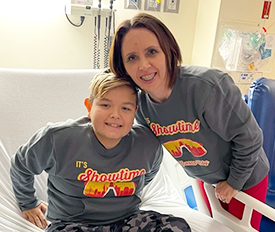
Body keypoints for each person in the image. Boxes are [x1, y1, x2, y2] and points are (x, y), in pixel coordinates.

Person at [109, 12, 270, 230]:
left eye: (152, 52)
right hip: (207, 178)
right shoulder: (141, 106)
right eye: (131, 58)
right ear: (123, 67)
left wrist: (234, 183)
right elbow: (143, 154)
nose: (143, 65)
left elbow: (250, 139)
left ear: (168, 50)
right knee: (215, 227)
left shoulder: (208, 87)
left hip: (245, 177)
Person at [10, 69, 191, 232]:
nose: (115, 114)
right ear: (89, 107)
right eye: (105, 105)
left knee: (177, 227)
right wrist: (28, 203)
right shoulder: (57, 139)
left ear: (135, 112)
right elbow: (21, 166)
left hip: (127, 220)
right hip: (72, 223)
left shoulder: (147, 144)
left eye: (125, 108)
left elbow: (149, 173)